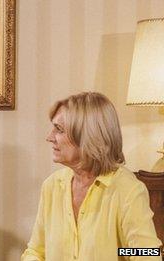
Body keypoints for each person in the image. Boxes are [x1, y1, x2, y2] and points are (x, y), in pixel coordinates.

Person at [21, 92, 162, 260]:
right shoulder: (52, 186)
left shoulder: (128, 190)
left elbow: (149, 253)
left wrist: (117, 251)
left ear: (88, 135)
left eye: (59, 129)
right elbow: (36, 251)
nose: (49, 137)